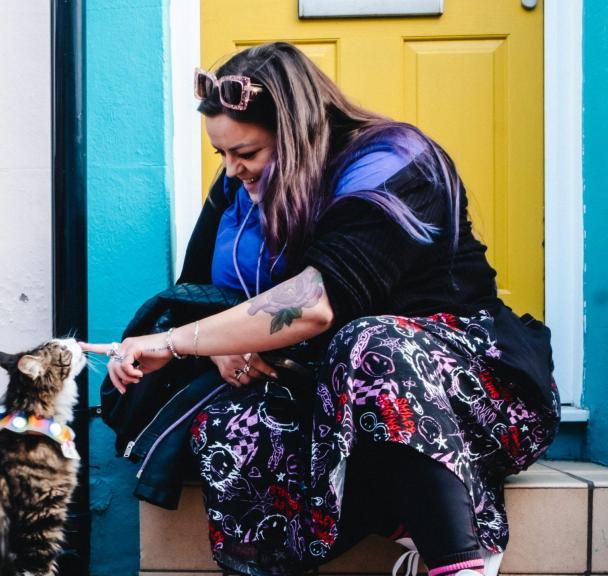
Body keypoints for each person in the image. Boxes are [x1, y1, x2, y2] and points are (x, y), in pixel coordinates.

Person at [85, 43, 559, 576]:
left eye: (246, 153)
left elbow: (314, 305)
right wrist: (221, 350)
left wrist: (172, 342)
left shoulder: (394, 162)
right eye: (221, 154)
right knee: (228, 427)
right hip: (335, 397)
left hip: (471, 390)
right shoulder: (238, 185)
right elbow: (200, 296)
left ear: (298, 134)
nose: (231, 168)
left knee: (370, 344)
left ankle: (460, 559)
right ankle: (408, 522)